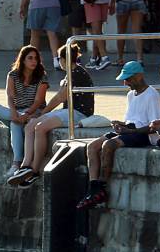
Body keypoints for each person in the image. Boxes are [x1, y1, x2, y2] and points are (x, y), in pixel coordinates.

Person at [76, 60, 160, 210]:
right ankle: (94, 187)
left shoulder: (152, 95)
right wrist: (121, 125)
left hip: (141, 134)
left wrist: (130, 131)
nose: (125, 83)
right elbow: (131, 119)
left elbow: (153, 126)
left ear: (139, 76)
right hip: (129, 130)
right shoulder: (131, 95)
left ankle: (102, 185)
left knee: (109, 145)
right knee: (92, 146)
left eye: (128, 79)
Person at [8, 44, 96, 186]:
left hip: (79, 114)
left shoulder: (77, 73)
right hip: (67, 112)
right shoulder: (71, 72)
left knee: (40, 127)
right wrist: (38, 115)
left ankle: (34, 170)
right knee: (30, 126)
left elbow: (60, 97)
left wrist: (42, 113)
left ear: (63, 59)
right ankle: (25, 166)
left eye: (58, 59)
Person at [0, 45, 49, 178]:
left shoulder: (42, 77)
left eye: (36, 58)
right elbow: (10, 96)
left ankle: (16, 164)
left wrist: (26, 114)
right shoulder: (13, 75)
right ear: (22, 60)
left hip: (33, 111)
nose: (34, 61)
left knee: (14, 124)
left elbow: (39, 101)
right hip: (17, 111)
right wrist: (13, 112)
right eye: (30, 58)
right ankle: (20, 120)